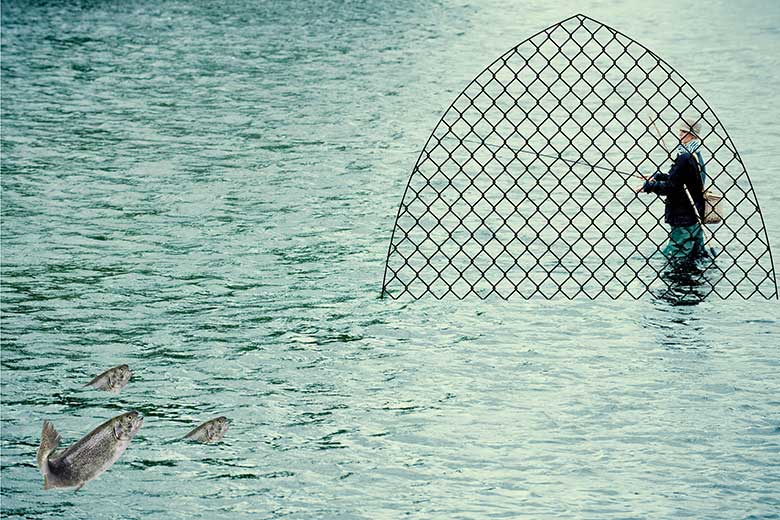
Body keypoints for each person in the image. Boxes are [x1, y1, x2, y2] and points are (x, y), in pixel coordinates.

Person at [637, 116, 707, 263]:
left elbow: (672, 187)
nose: (680, 135)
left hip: (682, 216)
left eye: (683, 132)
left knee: (676, 257)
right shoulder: (697, 155)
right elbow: (682, 180)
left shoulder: (684, 157)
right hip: (695, 216)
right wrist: (657, 176)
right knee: (697, 254)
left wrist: (648, 187)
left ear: (691, 135)